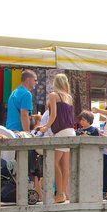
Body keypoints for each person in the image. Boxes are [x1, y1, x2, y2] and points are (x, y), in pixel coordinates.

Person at [38, 73, 77, 203]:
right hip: (71, 131)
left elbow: (53, 115)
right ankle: (63, 192)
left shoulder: (54, 95)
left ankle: (60, 193)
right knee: (64, 163)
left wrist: (44, 127)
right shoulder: (69, 97)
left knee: (54, 162)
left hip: (60, 131)